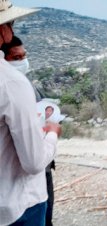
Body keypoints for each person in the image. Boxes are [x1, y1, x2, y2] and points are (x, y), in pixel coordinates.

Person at [0, 1, 62, 226]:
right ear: (2, 29)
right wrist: (52, 134)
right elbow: (34, 162)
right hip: (17, 206)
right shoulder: (10, 82)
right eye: (10, 22)